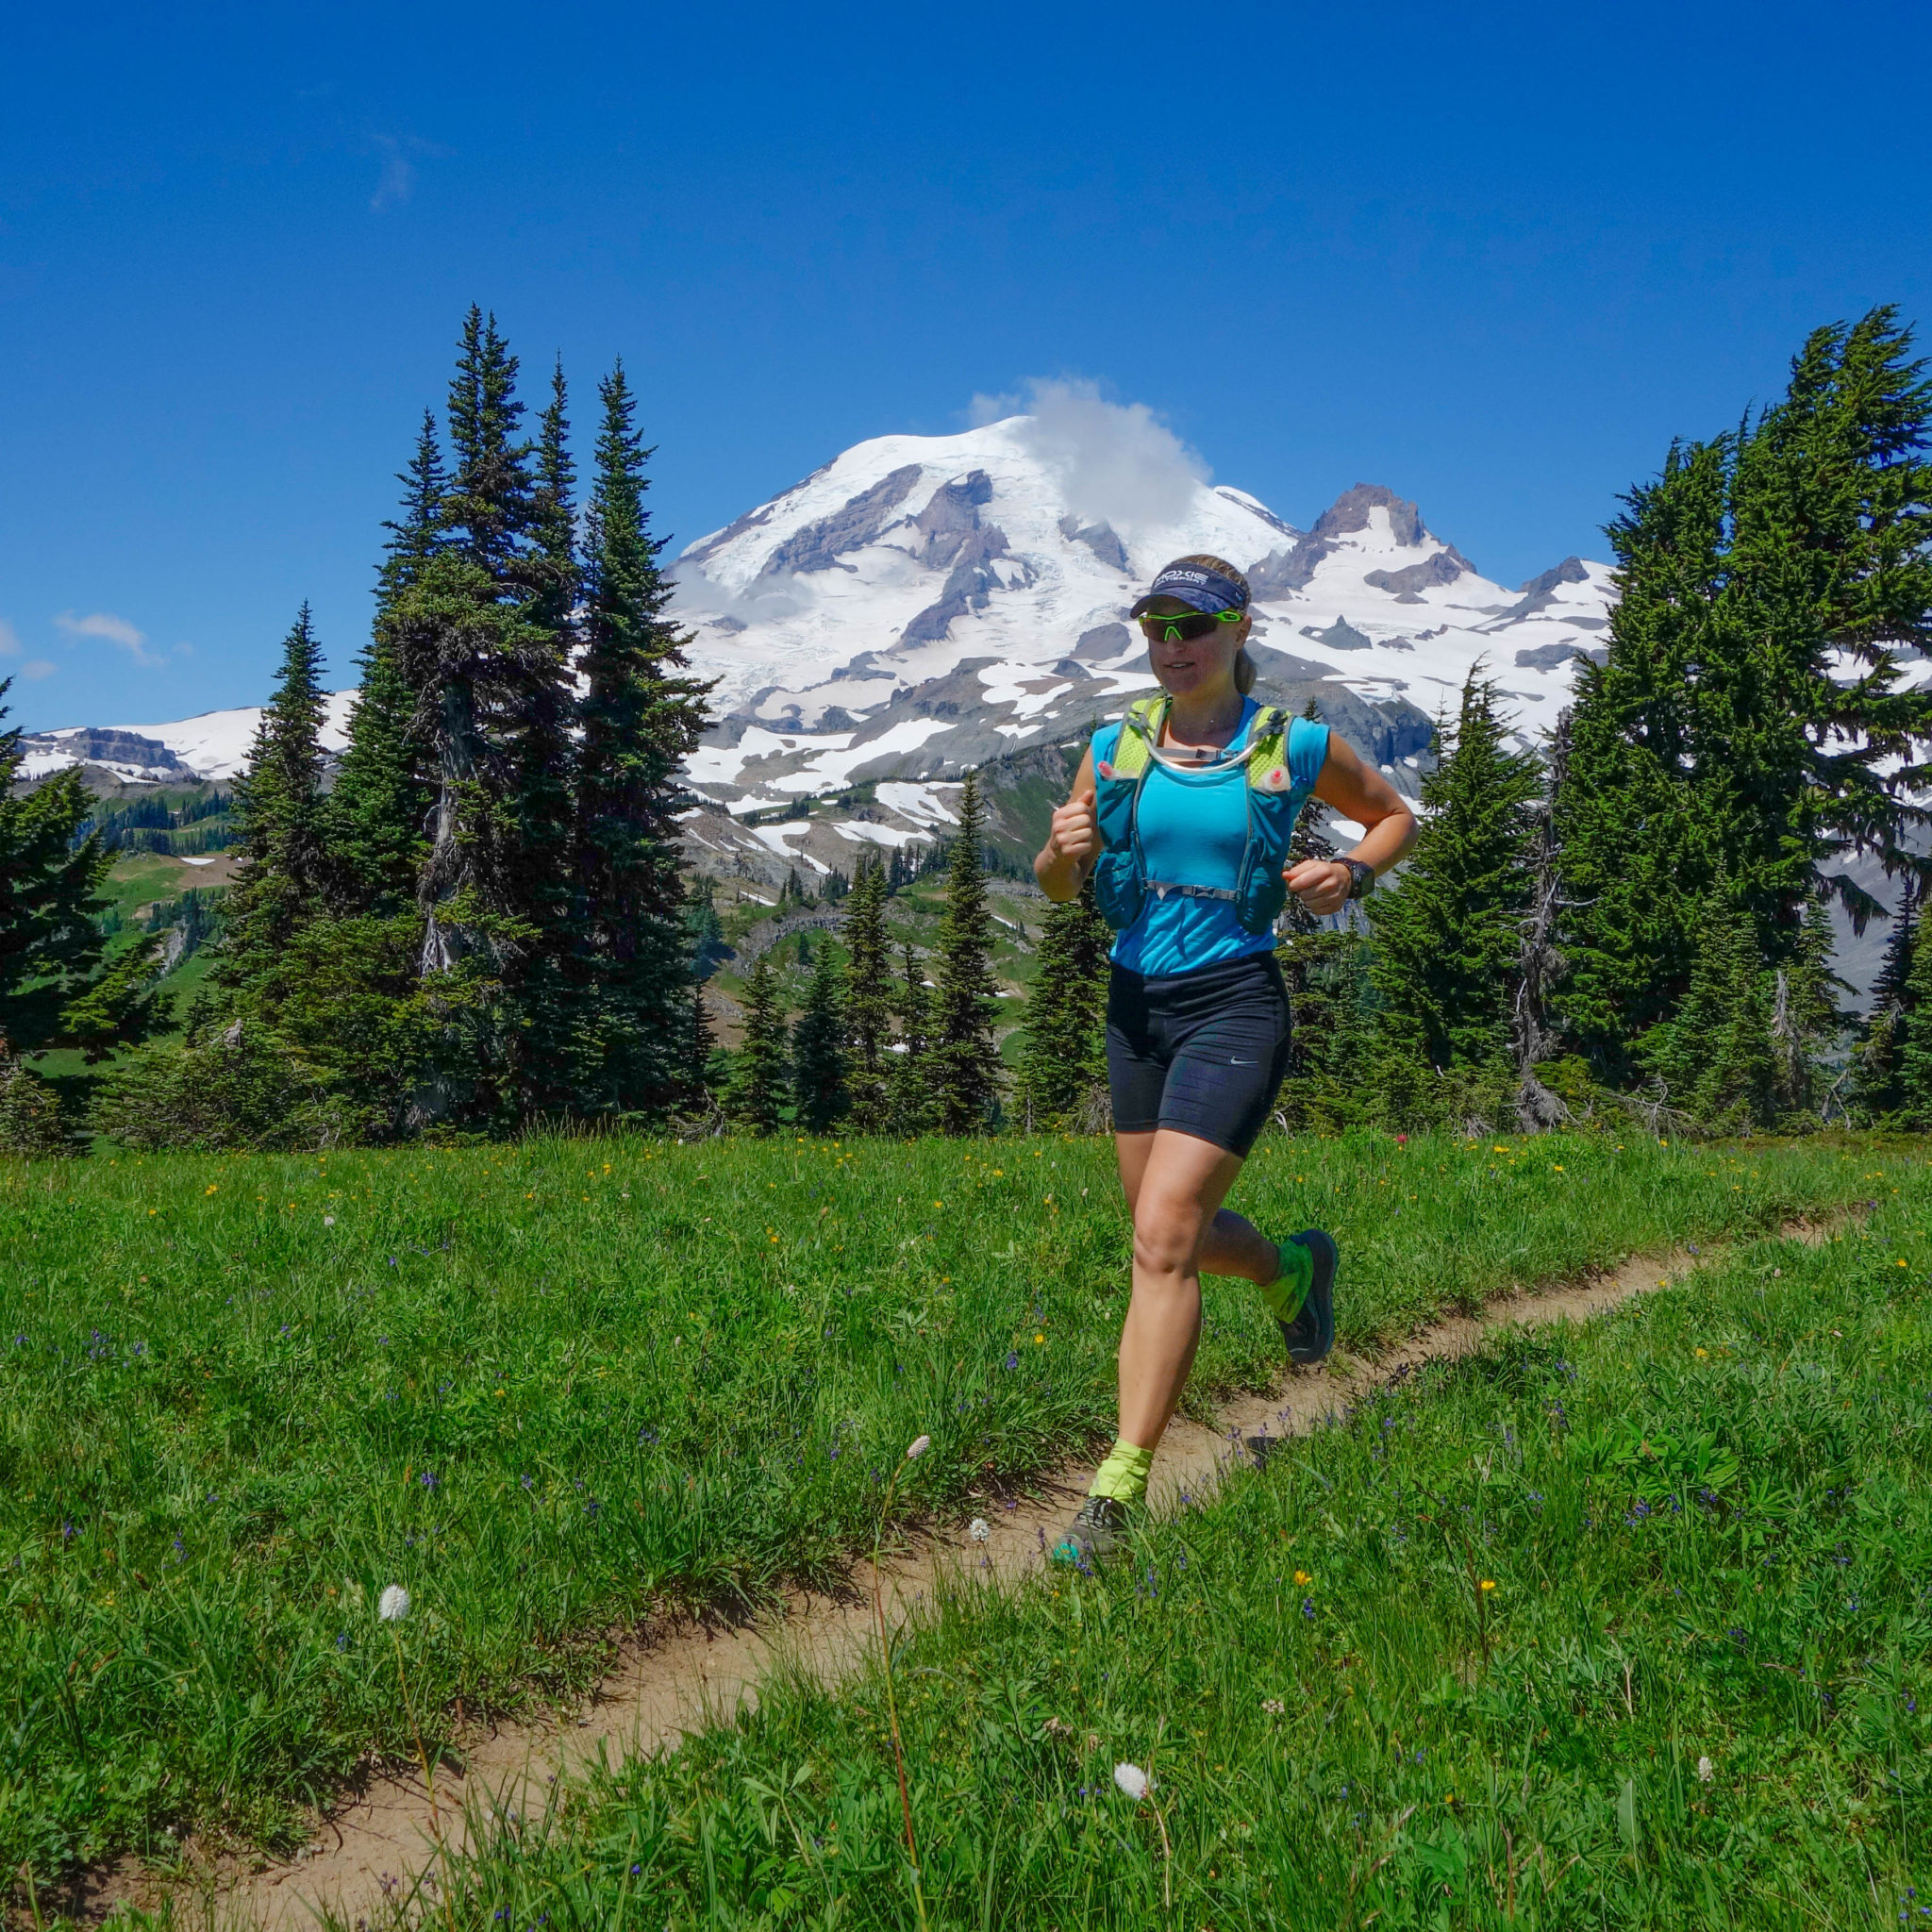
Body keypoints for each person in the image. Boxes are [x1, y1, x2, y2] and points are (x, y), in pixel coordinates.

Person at [1033, 554, 1418, 1566]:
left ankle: (1115, 1495)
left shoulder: (1293, 743)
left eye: (1191, 624)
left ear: (1239, 628)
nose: (1171, 645)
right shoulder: (1113, 745)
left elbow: (1393, 815)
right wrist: (1060, 849)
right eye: (1155, 626)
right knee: (1179, 1238)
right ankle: (1291, 1267)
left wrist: (1350, 870)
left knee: (1161, 1236)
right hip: (1133, 1005)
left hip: (1236, 1003)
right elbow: (1057, 888)